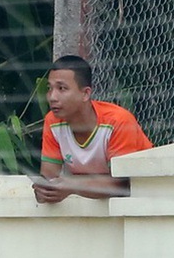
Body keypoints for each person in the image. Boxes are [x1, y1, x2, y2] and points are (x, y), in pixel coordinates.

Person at [32, 55, 153, 203]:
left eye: (62, 88)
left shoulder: (118, 121)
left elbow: (124, 184)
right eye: (49, 89)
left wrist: (72, 186)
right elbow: (49, 176)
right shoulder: (52, 121)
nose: (52, 97)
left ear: (86, 94)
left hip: (147, 198)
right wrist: (44, 191)